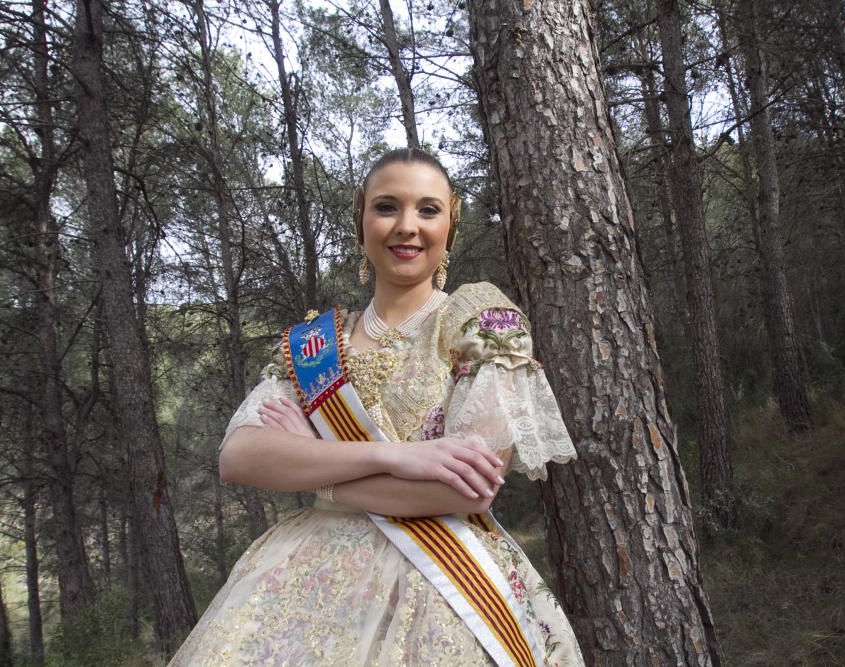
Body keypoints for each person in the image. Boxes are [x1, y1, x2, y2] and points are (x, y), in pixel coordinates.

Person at [169, 148, 584, 666]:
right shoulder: (316, 343)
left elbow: (466, 489)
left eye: (427, 210)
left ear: (450, 222)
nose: (406, 227)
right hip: (304, 589)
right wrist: (396, 458)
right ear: (360, 217)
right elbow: (241, 456)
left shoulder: (480, 320)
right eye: (387, 206)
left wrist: (310, 462)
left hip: (447, 585)